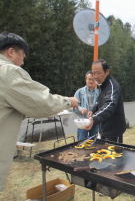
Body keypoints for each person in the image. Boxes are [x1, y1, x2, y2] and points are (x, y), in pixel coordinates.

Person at [0, 31, 78, 191]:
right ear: (11, 52)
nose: (22, 62)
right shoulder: (7, 72)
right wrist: (68, 101)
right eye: (22, 56)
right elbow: (41, 102)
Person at [85, 59, 126, 143]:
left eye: (98, 73)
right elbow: (101, 101)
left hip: (114, 131)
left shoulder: (112, 86)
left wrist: (93, 118)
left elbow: (110, 104)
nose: (95, 76)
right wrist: (93, 110)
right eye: (93, 73)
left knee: (114, 155)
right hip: (105, 129)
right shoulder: (103, 84)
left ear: (106, 72)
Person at [74, 71, 100, 140]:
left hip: (94, 121)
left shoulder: (100, 92)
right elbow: (74, 107)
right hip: (82, 122)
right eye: (89, 79)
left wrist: (94, 114)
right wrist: (80, 109)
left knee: (94, 142)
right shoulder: (79, 92)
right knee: (81, 141)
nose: (91, 81)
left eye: (93, 79)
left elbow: (102, 107)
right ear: (86, 80)